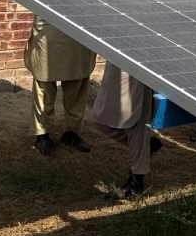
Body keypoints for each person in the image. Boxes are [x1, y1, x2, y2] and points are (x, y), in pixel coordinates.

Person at [25, 16, 96, 155]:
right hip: (49, 23)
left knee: (78, 79)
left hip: (80, 22)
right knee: (44, 80)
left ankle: (72, 133)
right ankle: (42, 135)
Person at [89, 62, 161, 199]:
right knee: (100, 117)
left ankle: (136, 184)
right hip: (116, 60)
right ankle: (146, 146)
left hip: (141, 67)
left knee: (136, 122)